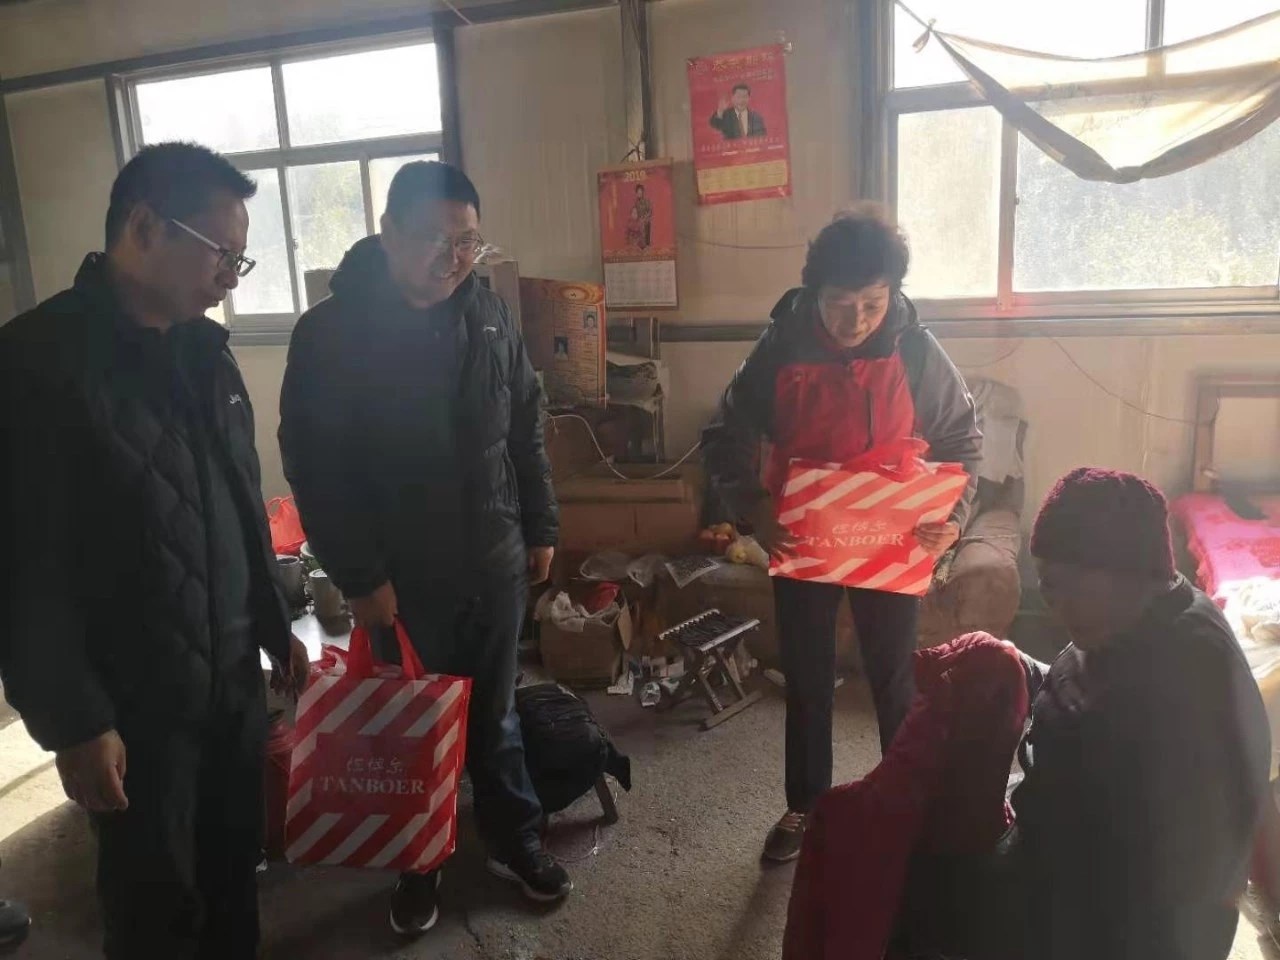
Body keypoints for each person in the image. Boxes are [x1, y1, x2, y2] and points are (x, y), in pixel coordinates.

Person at [0, 142, 308, 960]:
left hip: (230, 686)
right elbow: (24, 568)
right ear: (143, 227)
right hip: (135, 706)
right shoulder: (36, 364)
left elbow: (240, 500)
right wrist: (74, 722)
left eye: (241, 259)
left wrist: (272, 619)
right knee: (154, 905)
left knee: (233, 876)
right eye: (220, 254)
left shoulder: (206, 352)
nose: (232, 277)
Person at [279, 160, 570, 939]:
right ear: (387, 233)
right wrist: (359, 575)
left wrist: (540, 525)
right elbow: (316, 469)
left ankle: (513, 836)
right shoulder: (331, 335)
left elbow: (526, 425)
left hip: (494, 557)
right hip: (401, 578)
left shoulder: (489, 313)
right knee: (410, 723)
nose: (454, 258)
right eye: (435, 240)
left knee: (496, 714)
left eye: (469, 241)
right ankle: (418, 860)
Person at [701, 205, 981, 863]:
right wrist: (755, 510)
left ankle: (903, 803)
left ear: (894, 295)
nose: (855, 321)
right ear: (814, 293)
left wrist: (953, 519)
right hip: (806, 537)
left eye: (872, 305)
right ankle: (806, 806)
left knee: (893, 675)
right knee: (806, 674)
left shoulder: (917, 350)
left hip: (889, 540)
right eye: (839, 305)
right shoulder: (781, 345)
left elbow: (963, 441)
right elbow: (724, 433)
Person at [988, 468, 1270, 960]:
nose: (1057, 608)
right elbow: (1082, 696)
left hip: (1118, 929)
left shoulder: (1184, 682)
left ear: (1133, 574)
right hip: (1070, 871)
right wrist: (1020, 669)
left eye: (1070, 588)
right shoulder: (1145, 614)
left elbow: (1172, 867)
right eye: (1048, 589)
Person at [626, 184, 653, 249]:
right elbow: (635, 212)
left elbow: (650, 211)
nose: (639, 194)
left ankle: (646, 245)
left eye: (640, 192)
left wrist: (644, 218)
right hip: (639, 221)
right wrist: (635, 216)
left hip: (646, 220)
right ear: (636, 193)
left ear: (643, 192)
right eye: (638, 193)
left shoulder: (646, 201)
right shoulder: (636, 203)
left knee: (644, 224)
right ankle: (639, 244)